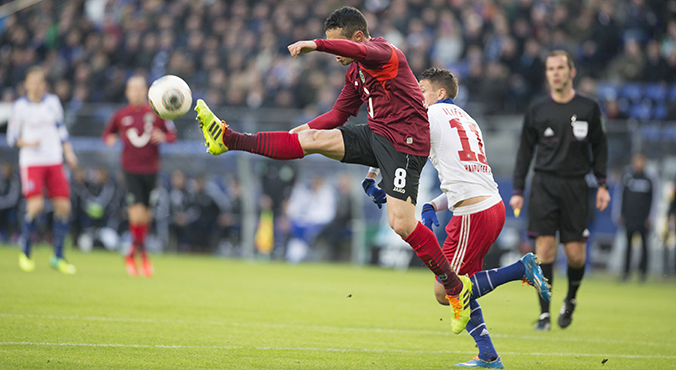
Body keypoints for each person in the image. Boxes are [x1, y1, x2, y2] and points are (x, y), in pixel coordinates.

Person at [195, 6, 473, 332]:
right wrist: (302, 131)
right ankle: (228, 139)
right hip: (376, 135)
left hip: (406, 145)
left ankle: (456, 288)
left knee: (401, 224)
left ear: (356, 36)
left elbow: (356, 50)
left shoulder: (384, 52)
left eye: (336, 44)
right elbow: (337, 115)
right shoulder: (355, 73)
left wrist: (316, 44)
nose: (335, 54)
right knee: (311, 138)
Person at [362, 67, 551, 368]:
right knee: (459, 286)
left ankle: (520, 269)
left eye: (421, 90)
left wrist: (373, 176)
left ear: (440, 94)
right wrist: (433, 206)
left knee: (445, 289)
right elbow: (464, 178)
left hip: (472, 214)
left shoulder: (429, 116)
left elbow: (392, 142)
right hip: (490, 206)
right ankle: (487, 354)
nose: (417, 95)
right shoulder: (468, 120)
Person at [509, 50, 610, 331]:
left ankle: (572, 299)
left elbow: (600, 147)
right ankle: (544, 314)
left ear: (571, 72)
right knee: (545, 250)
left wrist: (602, 184)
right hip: (544, 184)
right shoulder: (537, 109)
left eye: (560, 68)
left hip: (577, 185)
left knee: (576, 255)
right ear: (547, 74)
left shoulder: (589, 107)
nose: (555, 72)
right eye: (550, 68)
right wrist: (518, 188)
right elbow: (524, 152)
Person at [103, 75, 176, 277]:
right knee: (136, 213)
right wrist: (110, 139)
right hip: (130, 170)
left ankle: (132, 252)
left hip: (151, 170)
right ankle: (143, 257)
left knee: (146, 215)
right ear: (127, 92)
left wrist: (163, 137)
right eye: (132, 88)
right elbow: (107, 133)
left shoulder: (157, 112)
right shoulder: (121, 115)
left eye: (139, 88)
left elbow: (172, 135)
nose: (136, 92)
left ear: (146, 91)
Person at [6, 66, 78, 274]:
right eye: (34, 81)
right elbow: (12, 138)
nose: (38, 85)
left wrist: (69, 153)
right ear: (26, 84)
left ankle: (58, 256)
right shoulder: (20, 107)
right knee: (35, 206)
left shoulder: (52, 103)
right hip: (32, 161)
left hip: (54, 159)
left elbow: (61, 130)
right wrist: (28, 143)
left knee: (64, 207)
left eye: (41, 81)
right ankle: (26, 252)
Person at [612, 152, 659, 282]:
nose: (638, 164)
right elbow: (620, 195)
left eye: (641, 161)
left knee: (645, 246)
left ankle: (643, 273)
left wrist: (651, 217)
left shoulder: (650, 177)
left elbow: (654, 198)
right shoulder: (627, 176)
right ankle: (625, 272)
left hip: (644, 219)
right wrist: (618, 213)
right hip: (629, 217)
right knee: (627, 246)